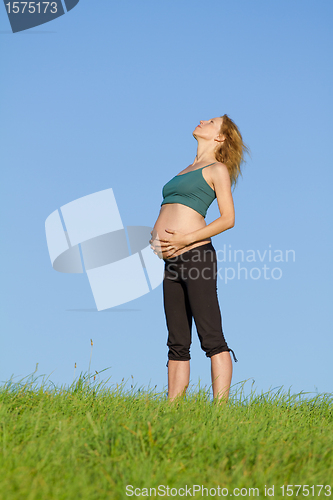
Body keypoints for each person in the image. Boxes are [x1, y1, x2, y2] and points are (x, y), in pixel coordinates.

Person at [149, 115, 249, 403]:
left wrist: (184, 238)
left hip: (196, 257)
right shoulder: (184, 170)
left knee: (211, 336)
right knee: (177, 341)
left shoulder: (217, 169)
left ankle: (221, 410)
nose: (203, 120)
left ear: (220, 138)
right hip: (172, 262)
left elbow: (228, 219)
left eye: (212, 121)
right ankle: (172, 409)